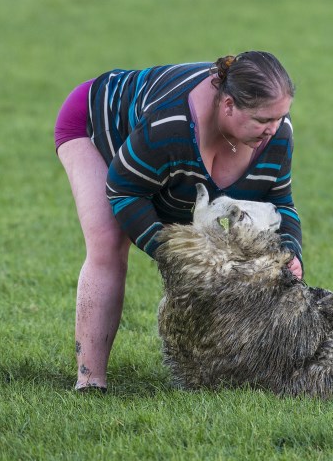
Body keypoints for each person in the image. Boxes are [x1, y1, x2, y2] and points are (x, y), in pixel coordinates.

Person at [54, 51, 303, 392]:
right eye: (262, 120)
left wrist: (291, 254)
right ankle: (90, 381)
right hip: (95, 122)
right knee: (109, 241)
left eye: (281, 117)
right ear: (228, 105)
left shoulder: (276, 133)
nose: (273, 129)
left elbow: (280, 203)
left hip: (164, 156)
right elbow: (125, 191)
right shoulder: (170, 123)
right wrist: (180, 255)